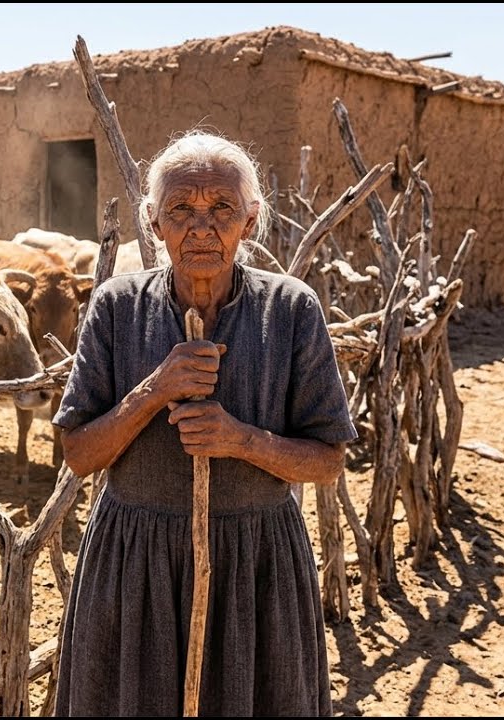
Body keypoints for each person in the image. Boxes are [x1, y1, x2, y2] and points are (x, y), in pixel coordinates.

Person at [53, 129, 356, 716]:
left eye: (221, 209)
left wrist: (241, 440)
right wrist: (154, 389)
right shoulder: (118, 306)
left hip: (255, 564)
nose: (201, 227)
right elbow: (78, 453)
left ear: (250, 220)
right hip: (135, 563)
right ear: (153, 223)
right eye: (180, 210)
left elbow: (328, 460)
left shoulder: (290, 309)